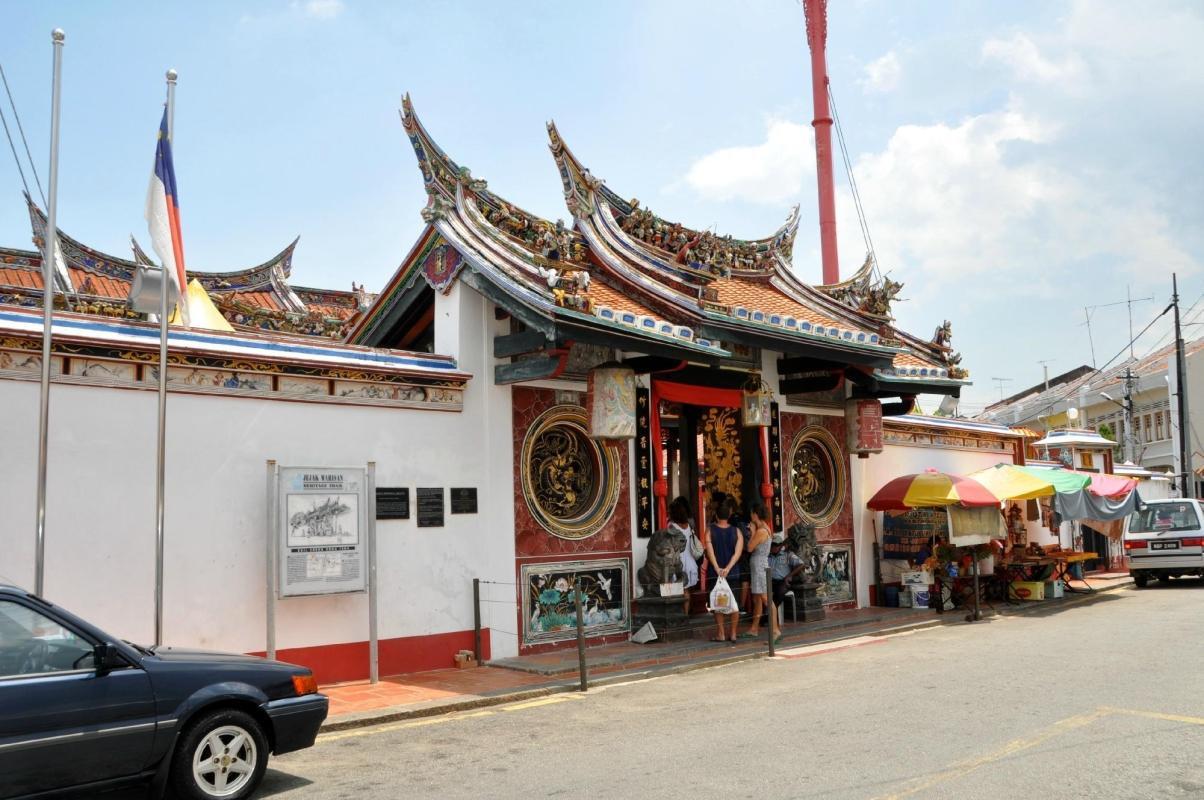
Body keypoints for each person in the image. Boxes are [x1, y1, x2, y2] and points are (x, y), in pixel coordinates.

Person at [704, 497, 744, 642]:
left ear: (716, 515)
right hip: (732, 573)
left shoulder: (710, 531)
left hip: (715, 574)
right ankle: (733, 633)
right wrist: (728, 568)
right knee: (734, 604)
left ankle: (721, 633)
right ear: (729, 516)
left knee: (718, 603)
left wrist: (718, 568)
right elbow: (737, 553)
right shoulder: (737, 532)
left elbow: (710, 552)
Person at [740, 500, 779, 642]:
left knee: (766, 598)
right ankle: (754, 629)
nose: (750, 516)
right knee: (757, 599)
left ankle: (775, 630)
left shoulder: (761, 531)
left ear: (755, 514)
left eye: (752, 513)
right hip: (758, 566)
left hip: (760, 567)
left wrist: (751, 532)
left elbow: (749, 547)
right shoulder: (765, 528)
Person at [668, 496, 699, 613]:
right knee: (686, 591)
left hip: (677, 562)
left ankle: (677, 615)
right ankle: (685, 614)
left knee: (676, 591)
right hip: (689, 560)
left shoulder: (672, 527)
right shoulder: (688, 526)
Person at [769, 531, 804, 619]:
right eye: (772, 545)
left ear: (781, 545)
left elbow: (801, 564)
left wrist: (789, 575)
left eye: (776, 545)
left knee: (779, 592)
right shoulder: (767, 556)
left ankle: (769, 616)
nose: (774, 547)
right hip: (769, 581)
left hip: (782, 581)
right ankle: (769, 616)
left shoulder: (788, 555)